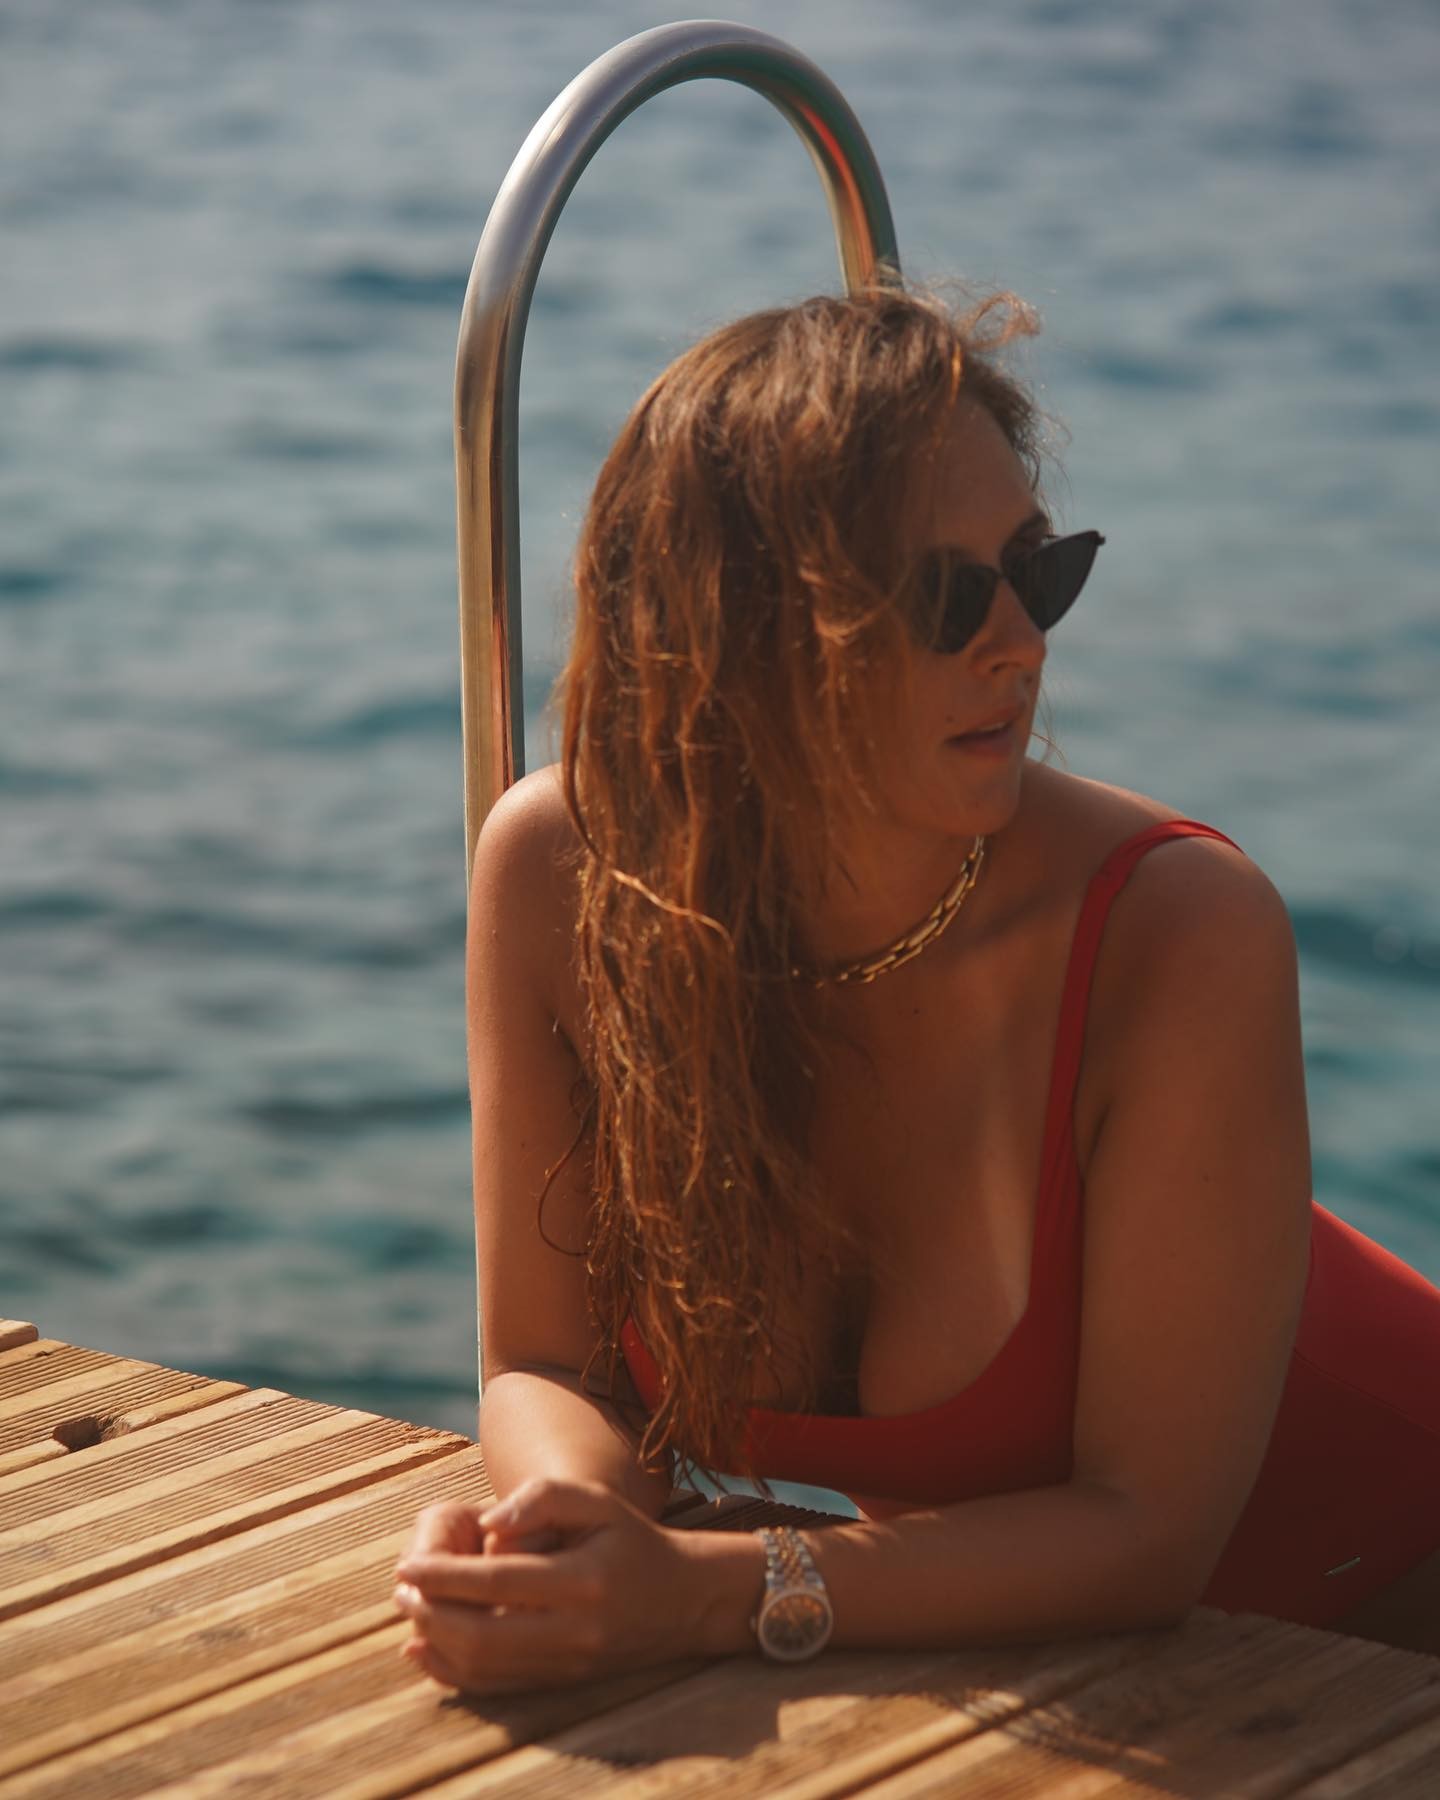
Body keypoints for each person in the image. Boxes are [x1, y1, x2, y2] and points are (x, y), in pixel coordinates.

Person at [392, 284, 1440, 1693]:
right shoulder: (562, 878)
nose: (1022, 640)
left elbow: (1149, 1535)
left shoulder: (1178, 928)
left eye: (1037, 572)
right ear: (744, 632)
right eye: (948, 597)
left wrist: (706, 1593)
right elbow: (545, 1362)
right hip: (1110, 1685)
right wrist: (562, 1529)